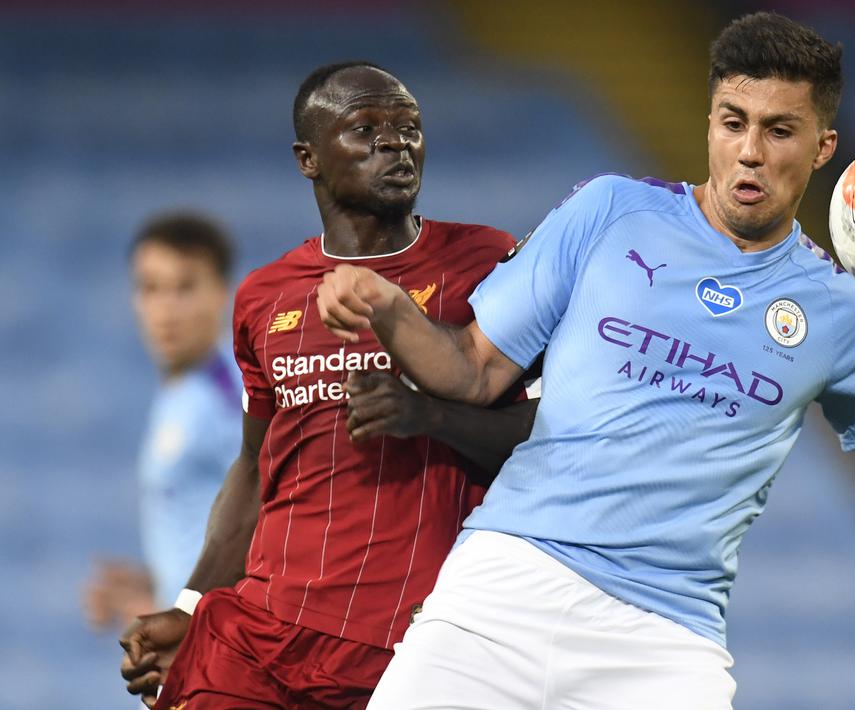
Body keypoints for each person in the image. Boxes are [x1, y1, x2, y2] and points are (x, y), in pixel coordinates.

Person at [317, 13, 855, 710]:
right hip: (504, 586)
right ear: (708, 123)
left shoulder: (840, 316)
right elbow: (473, 371)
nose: (749, 152)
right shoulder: (608, 211)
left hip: (665, 639)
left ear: (822, 146)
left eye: (778, 130)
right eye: (732, 122)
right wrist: (390, 308)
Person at [118, 61, 539, 709]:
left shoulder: (485, 262)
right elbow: (255, 471)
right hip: (260, 634)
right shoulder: (265, 295)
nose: (395, 142)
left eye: (409, 127)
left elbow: (551, 438)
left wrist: (429, 415)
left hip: (409, 650)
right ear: (308, 159)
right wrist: (192, 605)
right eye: (365, 128)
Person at [83, 214, 241, 632]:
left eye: (185, 287)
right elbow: (213, 531)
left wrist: (184, 613)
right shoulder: (182, 391)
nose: (166, 309)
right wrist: (154, 585)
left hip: (216, 650)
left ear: (222, 293)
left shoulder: (234, 398)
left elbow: (276, 529)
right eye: (150, 288)